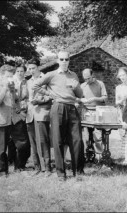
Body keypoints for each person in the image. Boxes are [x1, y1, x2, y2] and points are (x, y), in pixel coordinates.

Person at [33, 51, 84, 181]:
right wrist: (49, 94)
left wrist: (76, 85)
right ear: (58, 61)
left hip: (72, 107)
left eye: (67, 59)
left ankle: (77, 171)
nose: (64, 61)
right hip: (58, 107)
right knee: (58, 139)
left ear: (69, 60)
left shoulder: (73, 75)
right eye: (61, 59)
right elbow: (35, 85)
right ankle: (61, 173)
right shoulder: (52, 75)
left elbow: (79, 94)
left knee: (77, 140)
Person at [0, 65, 31, 176]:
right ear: (1, 76)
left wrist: (20, 112)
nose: (10, 79)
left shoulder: (12, 87)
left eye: (11, 76)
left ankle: (19, 167)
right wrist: (4, 88)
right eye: (8, 76)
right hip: (2, 120)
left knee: (24, 145)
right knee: (2, 148)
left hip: (15, 119)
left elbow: (16, 100)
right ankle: (3, 172)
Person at [26, 58, 52, 177]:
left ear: (38, 67)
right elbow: (27, 98)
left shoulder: (46, 78)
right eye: (29, 68)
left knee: (43, 141)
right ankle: (37, 167)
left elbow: (51, 96)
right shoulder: (28, 81)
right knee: (33, 143)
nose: (31, 71)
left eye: (33, 68)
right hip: (30, 115)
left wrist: (39, 101)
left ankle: (47, 168)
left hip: (41, 113)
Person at [79, 68, 108, 160]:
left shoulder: (100, 84)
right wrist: (81, 100)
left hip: (97, 112)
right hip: (86, 112)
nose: (86, 80)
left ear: (92, 75)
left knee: (97, 135)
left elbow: (105, 98)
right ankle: (87, 155)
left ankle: (99, 156)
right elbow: (79, 98)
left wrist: (95, 98)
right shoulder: (82, 86)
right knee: (86, 136)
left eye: (88, 78)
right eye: (85, 78)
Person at [115, 67, 127, 165]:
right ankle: (126, 158)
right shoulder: (118, 88)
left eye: (123, 75)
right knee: (123, 134)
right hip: (121, 112)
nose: (122, 77)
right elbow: (117, 102)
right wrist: (123, 99)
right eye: (120, 75)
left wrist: (124, 100)